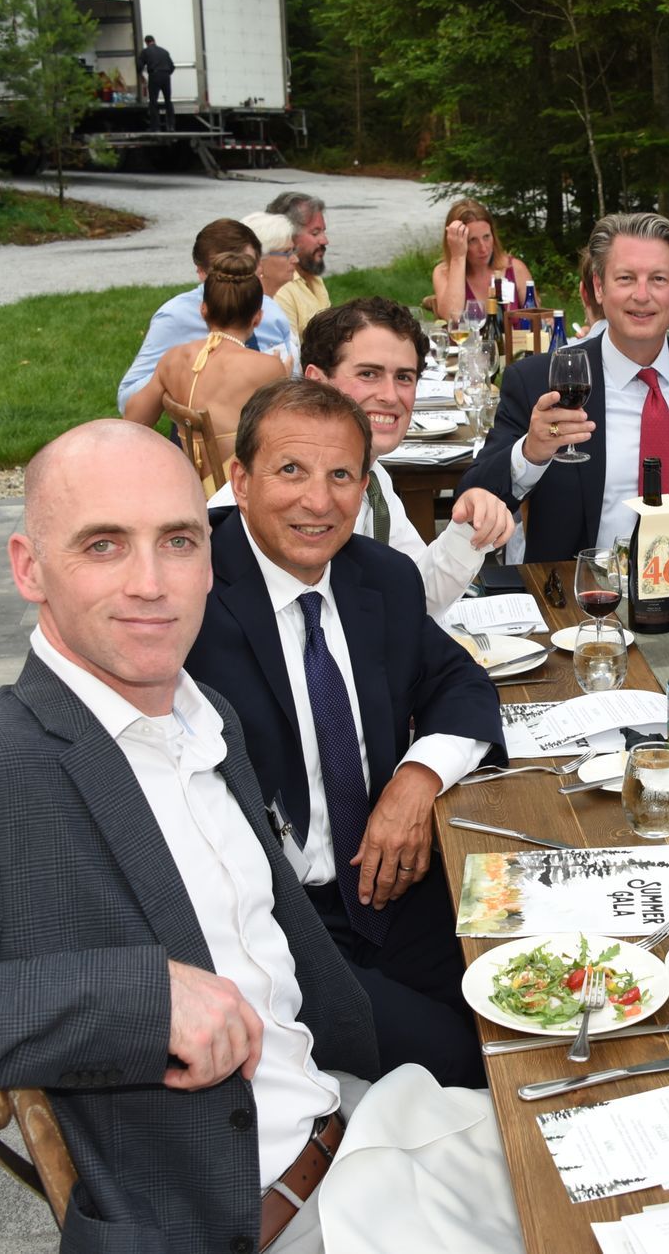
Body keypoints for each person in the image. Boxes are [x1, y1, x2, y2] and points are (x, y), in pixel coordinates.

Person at [0, 420, 519, 1250]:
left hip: (359, 1126)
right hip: (259, 1219)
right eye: (103, 546)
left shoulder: (204, 720)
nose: (152, 583)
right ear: (30, 568)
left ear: (214, 554)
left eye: (178, 541)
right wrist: (131, 1002)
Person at [187, 379, 504, 1091]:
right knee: (465, 1062)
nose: (318, 501)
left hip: (388, 889)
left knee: (529, 1005)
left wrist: (415, 782)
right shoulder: (191, 596)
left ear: (366, 487)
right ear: (238, 480)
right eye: (290, 471)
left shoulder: (379, 579)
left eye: (340, 477)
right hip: (275, 929)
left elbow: (461, 683)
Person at [458, 212, 669, 562]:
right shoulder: (540, 381)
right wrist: (531, 452)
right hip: (582, 602)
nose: (642, 295)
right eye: (626, 278)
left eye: (658, 279)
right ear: (599, 287)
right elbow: (475, 492)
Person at [203, 297, 514, 611]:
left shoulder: (375, 480)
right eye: (369, 374)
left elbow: (416, 595)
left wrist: (467, 528)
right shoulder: (252, 507)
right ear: (317, 381)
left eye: (404, 377)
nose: (390, 396)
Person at [122, 253, 287, 486]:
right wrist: (285, 374)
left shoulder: (174, 358)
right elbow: (286, 438)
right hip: (236, 491)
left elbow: (134, 420)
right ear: (257, 317)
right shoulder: (267, 367)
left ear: (203, 310)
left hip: (184, 484)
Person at [115, 218, 299, 411]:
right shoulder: (175, 317)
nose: (235, 285)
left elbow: (296, 380)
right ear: (200, 272)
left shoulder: (272, 311)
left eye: (246, 270)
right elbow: (126, 402)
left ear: (259, 266)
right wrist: (168, 374)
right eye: (222, 274)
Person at [431, 199, 533, 324]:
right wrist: (458, 258)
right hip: (467, 344)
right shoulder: (443, 272)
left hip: (515, 343)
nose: (483, 248)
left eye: (486, 237)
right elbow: (452, 317)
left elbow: (540, 320)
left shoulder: (515, 268)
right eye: (472, 240)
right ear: (457, 242)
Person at [268, 191, 332, 336]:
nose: (325, 241)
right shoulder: (278, 289)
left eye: (323, 232)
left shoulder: (312, 277)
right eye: (315, 233)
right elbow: (289, 355)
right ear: (287, 237)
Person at [241, 211, 303, 299]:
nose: (296, 259)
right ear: (259, 260)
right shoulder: (255, 308)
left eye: (293, 250)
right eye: (286, 252)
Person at [138, 33, 174, 130]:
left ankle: (155, 127)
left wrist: (140, 75)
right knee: (168, 101)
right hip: (166, 76)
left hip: (154, 76)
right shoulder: (164, 51)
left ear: (146, 42)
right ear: (154, 41)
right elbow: (172, 67)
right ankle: (171, 126)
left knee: (153, 102)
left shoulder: (146, 52)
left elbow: (139, 65)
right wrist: (166, 74)